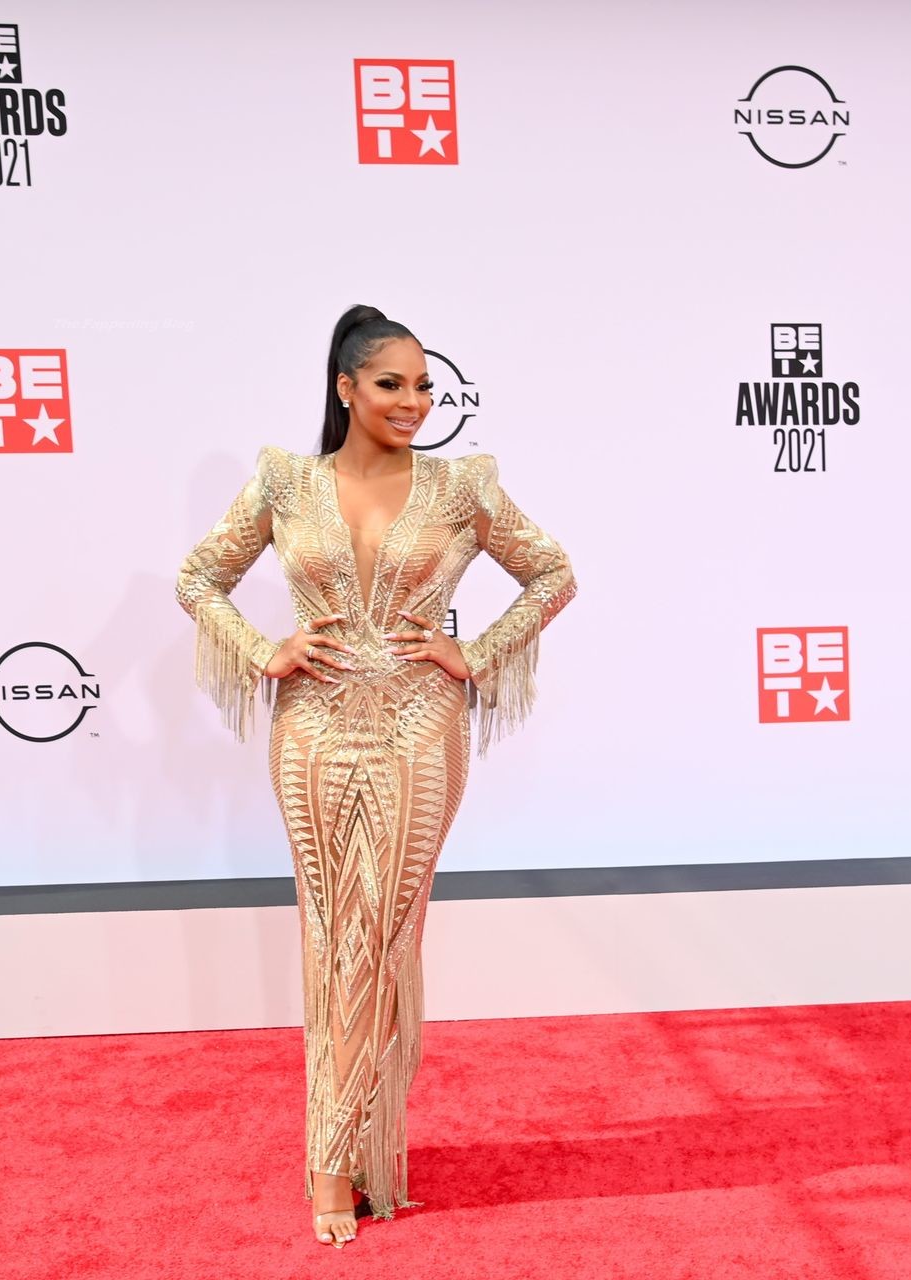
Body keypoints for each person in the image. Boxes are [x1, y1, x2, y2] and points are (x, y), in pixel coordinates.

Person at [174, 304, 578, 1247]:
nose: (414, 402)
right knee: (331, 934)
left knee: (384, 937)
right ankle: (345, 1154)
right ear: (346, 387)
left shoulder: (462, 486)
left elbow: (553, 574)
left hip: (418, 731)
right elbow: (198, 579)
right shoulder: (285, 482)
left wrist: (476, 653)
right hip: (311, 731)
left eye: (425, 386)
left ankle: (344, 1153)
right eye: (392, 384)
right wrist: (262, 650)